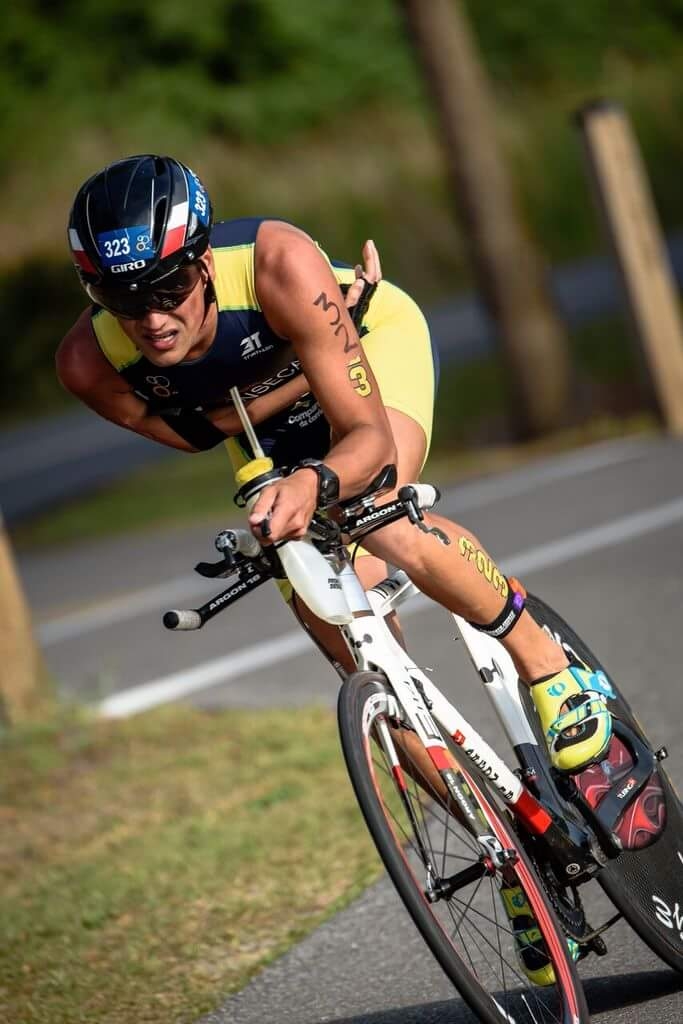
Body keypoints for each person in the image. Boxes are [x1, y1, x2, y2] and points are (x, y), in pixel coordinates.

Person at [57, 154, 612, 982]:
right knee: (345, 644)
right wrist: (283, 401)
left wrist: (312, 464)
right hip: (267, 428)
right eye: (120, 300)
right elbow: (201, 437)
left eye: (169, 287)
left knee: (374, 509)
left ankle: (546, 663)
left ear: (204, 263)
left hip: (365, 361)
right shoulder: (88, 365)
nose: (150, 318)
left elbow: (365, 439)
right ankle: (509, 845)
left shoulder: (281, 265)